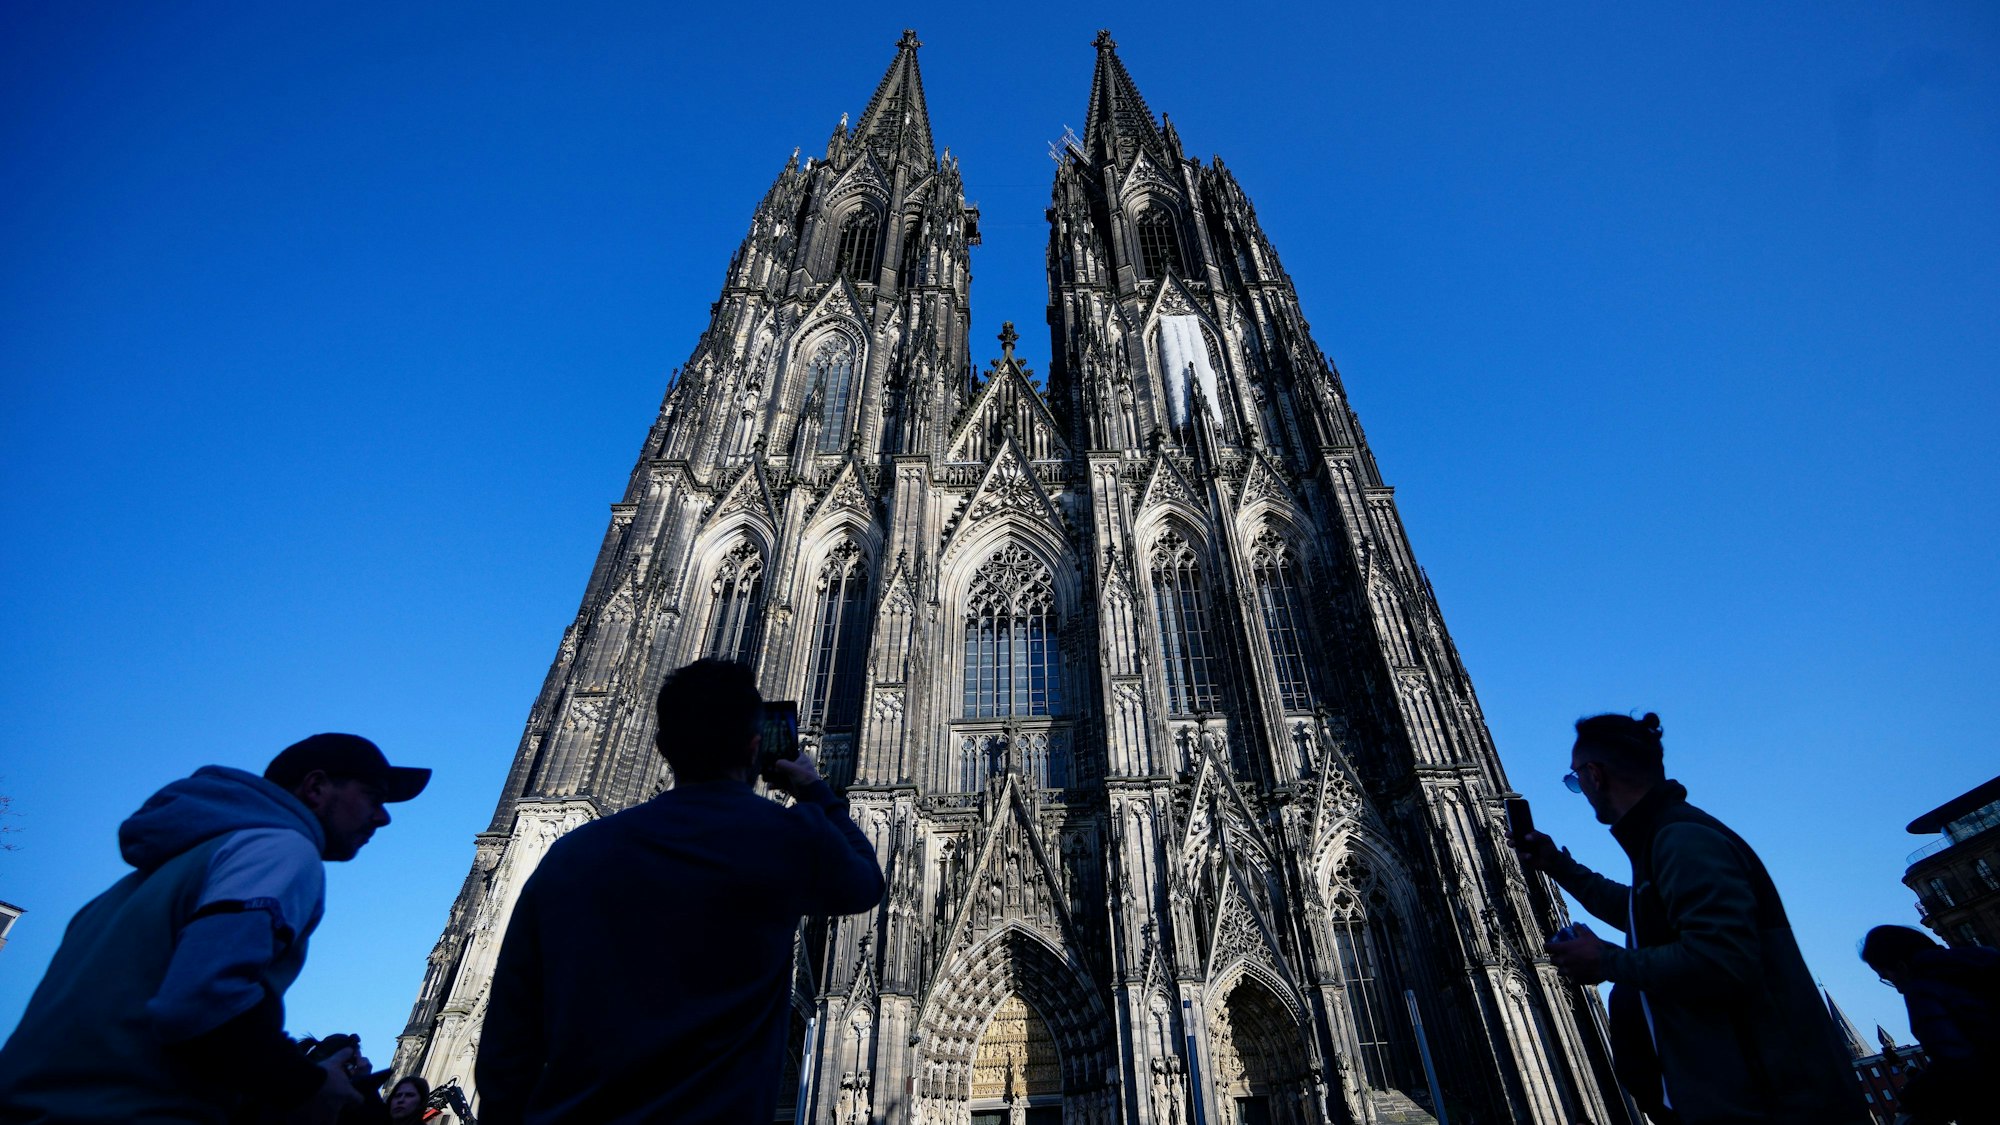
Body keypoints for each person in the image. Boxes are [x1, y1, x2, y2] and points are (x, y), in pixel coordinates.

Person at [476, 658, 885, 1124]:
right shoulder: (785, 838)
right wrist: (814, 790)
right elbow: (866, 882)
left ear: (661, 747)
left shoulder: (569, 855)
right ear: (755, 748)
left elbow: (506, 1043)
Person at [0, 734, 430, 1124]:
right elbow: (201, 1001)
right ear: (315, 788)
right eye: (373, 797)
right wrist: (309, 1085)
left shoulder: (153, 875)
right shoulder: (282, 849)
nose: (382, 817)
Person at [1507, 712, 1867, 1125]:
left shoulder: (1682, 840)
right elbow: (1643, 913)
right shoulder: (1666, 836)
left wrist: (1607, 961)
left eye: (1575, 781)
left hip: (1771, 1101)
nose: (1580, 791)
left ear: (1594, 774)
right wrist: (1559, 867)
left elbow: (1722, 960)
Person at [1858, 924, 2000, 1125]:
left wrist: (1913, 1096)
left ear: (1901, 967)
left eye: (1888, 978)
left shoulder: (1923, 990)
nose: (1898, 989)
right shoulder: (1987, 959)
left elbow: (1954, 1061)